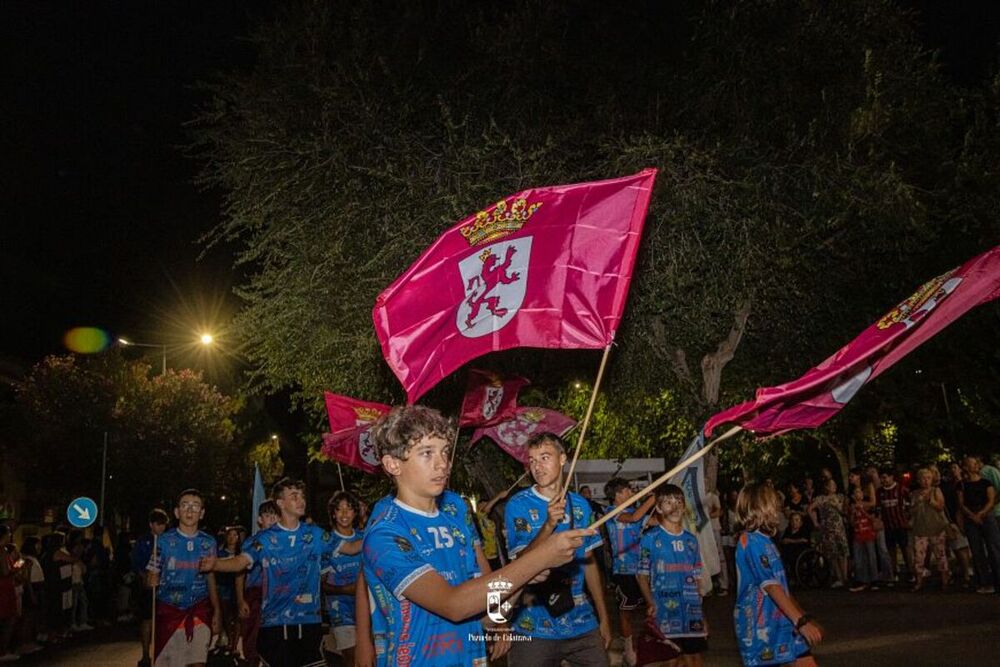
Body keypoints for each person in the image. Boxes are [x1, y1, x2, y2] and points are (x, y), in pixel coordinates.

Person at [362, 408, 591, 667]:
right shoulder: (385, 533)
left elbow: (490, 614)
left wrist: (524, 578)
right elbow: (454, 605)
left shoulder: (456, 522)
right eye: (427, 453)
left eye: (445, 452)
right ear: (393, 464)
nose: (443, 464)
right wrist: (535, 561)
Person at [202, 478, 339, 667]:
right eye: (294, 496)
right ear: (281, 503)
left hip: (309, 620)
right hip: (275, 623)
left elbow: (348, 546)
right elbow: (240, 563)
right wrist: (215, 564)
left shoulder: (314, 533)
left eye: (302, 496)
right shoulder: (265, 539)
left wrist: (376, 537)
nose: (301, 500)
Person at [505, 432, 610, 666]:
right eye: (532, 460)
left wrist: (603, 617)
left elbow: (589, 561)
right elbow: (520, 564)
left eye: (544, 457)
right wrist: (549, 525)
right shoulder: (518, 504)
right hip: (532, 625)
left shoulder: (581, 505)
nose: (537, 467)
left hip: (581, 621)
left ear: (562, 459)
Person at [734, 483, 821, 667]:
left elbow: (782, 587)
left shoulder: (767, 541)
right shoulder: (750, 541)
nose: (778, 509)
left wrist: (801, 616)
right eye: (774, 504)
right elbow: (771, 586)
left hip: (784, 623)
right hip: (760, 627)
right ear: (761, 508)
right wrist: (801, 622)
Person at [146, 490, 222, 667]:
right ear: (176, 512)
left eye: (195, 506)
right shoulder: (163, 541)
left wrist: (217, 610)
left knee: (198, 662)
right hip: (169, 611)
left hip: (199, 610)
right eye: (185, 505)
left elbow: (211, 578)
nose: (190, 511)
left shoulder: (209, 543)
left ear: (202, 513)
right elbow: (150, 577)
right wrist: (151, 581)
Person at [637, 483, 708, 666]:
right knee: (671, 661)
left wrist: (702, 614)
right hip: (665, 612)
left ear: (684, 507)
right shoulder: (650, 538)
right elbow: (642, 575)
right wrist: (650, 602)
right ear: (659, 508)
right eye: (668, 502)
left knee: (695, 660)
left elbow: (697, 576)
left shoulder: (691, 540)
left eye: (678, 501)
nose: (675, 506)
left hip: (691, 614)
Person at [604, 477, 656, 666]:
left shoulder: (636, 512)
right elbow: (633, 519)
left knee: (650, 608)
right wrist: (652, 498)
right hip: (623, 570)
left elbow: (651, 521)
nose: (631, 494)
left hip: (643, 569)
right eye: (627, 491)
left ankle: (650, 642)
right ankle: (628, 649)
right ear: (617, 494)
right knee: (626, 611)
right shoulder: (611, 512)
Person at [322, 491, 363, 666]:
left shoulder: (363, 536)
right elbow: (323, 585)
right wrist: (346, 590)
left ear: (355, 512)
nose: (344, 514)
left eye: (349, 509)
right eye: (339, 510)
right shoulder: (327, 541)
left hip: (367, 607)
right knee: (351, 659)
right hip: (340, 609)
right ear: (333, 513)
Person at [236, 500, 278, 667]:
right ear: (260, 520)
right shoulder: (252, 542)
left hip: (277, 594)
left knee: (275, 638)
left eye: (275, 515)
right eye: (268, 516)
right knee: (253, 635)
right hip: (255, 593)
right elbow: (239, 573)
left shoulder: (284, 542)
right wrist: (241, 600)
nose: (272, 520)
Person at [957, 455, 1000, 593]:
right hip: (971, 515)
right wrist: (971, 515)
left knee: (993, 547)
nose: (974, 466)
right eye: (971, 464)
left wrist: (981, 513)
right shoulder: (962, 484)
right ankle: (984, 582)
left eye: (975, 463)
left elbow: (991, 500)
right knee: (977, 550)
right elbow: (961, 503)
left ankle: (998, 580)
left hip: (986, 514)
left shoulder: (986, 483)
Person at [131, 509, 169, 667]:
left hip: (166, 587)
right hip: (148, 587)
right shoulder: (143, 541)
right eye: (158, 524)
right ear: (151, 525)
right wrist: (146, 578)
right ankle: (146, 654)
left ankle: (163, 652)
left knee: (164, 621)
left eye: (163, 525)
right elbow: (137, 564)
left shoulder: (168, 540)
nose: (161, 528)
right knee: (147, 620)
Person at [910, 467, 949, 591]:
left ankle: (945, 581)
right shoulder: (914, 494)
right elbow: (911, 511)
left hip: (936, 528)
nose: (926, 481)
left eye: (928, 478)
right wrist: (917, 503)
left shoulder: (936, 490)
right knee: (919, 557)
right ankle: (919, 581)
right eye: (923, 478)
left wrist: (930, 501)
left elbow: (941, 507)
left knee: (940, 555)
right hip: (920, 529)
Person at [808, 478, 848, 588]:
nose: (834, 486)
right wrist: (816, 522)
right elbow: (810, 508)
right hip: (828, 529)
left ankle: (845, 577)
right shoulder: (821, 499)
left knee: (843, 552)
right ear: (826, 487)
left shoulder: (840, 497)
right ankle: (839, 577)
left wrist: (837, 505)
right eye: (831, 485)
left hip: (839, 528)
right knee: (833, 554)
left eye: (835, 484)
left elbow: (843, 511)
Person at [877, 468, 912, 583]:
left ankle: (910, 572)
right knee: (891, 549)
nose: (883, 480)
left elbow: (909, 504)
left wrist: (906, 517)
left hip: (900, 524)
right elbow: (879, 508)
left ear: (892, 477)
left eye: (885, 477)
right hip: (888, 526)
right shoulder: (880, 492)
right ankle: (894, 573)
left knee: (905, 548)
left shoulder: (901, 489)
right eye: (881, 478)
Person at [847, 486, 879, 592]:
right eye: (856, 492)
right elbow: (851, 522)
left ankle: (874, 580)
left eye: (860, 492)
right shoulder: (852, 507)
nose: (858, 494)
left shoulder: (867, 505)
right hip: (858, 535)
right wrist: (852, 513)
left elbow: (872, 518)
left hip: (868, 533)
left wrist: (862, 510)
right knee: (858, 558)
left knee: (871, 557)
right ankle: (861, 580)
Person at [215, 527, 241, 652]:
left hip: (238, 590)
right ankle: (228, 640)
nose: (232, 538)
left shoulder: (241, 554)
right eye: (229, 535)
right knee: (226, 616)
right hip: (224, 588)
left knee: (237, 617)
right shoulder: (220, 553)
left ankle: (234, 645)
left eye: (235, 535)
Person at [0, 526, 20, 662]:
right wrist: (18, 565)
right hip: (4, 587)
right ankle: (2, 651)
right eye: (8, 533)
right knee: (8, 618)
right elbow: (6, 571)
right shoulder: (2, 550)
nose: (10, 535)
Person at [778, 512, 810, 582]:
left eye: (797, 520)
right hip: (787, 550)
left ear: (801, 522)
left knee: (791, 555)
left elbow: (804, 540)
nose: (794, 522)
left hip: (800, 551)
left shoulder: (804, 530)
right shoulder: (788, 530)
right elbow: (783, 540)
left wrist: (790, 541)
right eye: (792, 520)